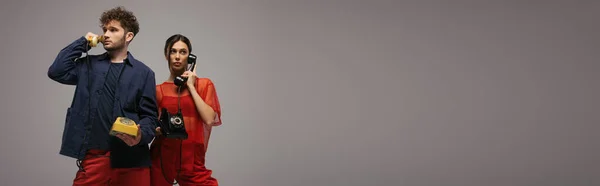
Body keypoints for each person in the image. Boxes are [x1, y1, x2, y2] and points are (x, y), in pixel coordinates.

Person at [47, 6, 158, 186]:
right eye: (104, 30)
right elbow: (56, 71)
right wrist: (83, 42)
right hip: (95, 158)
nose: (106, 34)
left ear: (128, 36)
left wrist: (140, 135)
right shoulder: (88, 65)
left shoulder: (144, 73)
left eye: (113, 30)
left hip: (132, 161)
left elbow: (150, 117)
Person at [150, 34, 222, 186]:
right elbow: (151, 126)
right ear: (166, 55)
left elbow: (209, 118)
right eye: (173, 51)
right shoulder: (158, 91)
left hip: (192, 161)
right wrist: (157, 129)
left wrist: (190, 86)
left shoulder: (204, 85)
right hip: (162, 159)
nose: (177, 56)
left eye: (183, 52)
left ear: (190, 57)